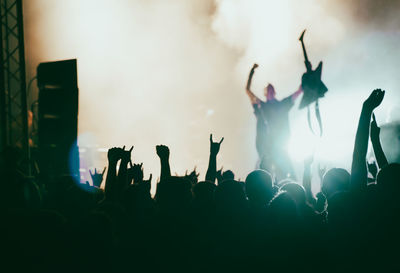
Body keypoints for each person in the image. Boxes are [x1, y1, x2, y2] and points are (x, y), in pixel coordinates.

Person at [245, 63, 303, 180]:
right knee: (264, 173)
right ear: (266, 93)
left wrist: (307, 78)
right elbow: (248, 90)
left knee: (286, 172)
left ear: (274, 92)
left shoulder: (282, 105)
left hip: (280, 146)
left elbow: (299, 91)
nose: (270, 92)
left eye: (272, 90)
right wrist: (252, 71)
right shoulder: (261, 106)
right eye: (268, 90)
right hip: (265, 147)